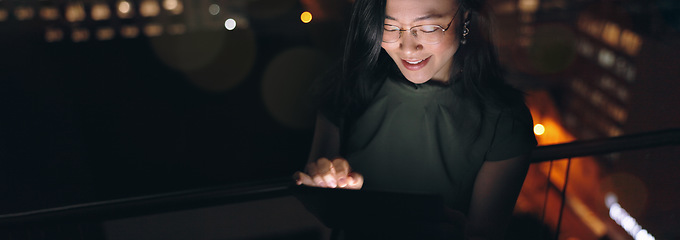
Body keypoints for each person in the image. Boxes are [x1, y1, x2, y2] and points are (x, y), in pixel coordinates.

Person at [293, 0, 537, 239]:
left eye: (429, 28)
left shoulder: (505, 120)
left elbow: (485, 234)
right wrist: (323, 183)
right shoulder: (347, 89)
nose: (408, 48)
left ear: (465, 19)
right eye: (389, 27)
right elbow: (321, 205)